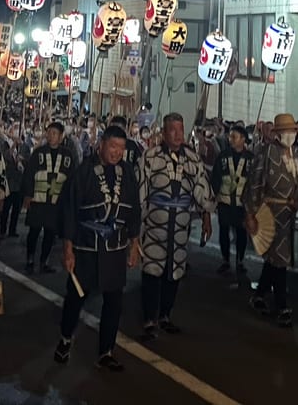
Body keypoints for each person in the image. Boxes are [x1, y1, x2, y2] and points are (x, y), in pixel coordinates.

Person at [54, 126, 141, 371]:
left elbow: (134, 209)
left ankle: (106, 351)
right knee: (76, 297)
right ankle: (65, 338)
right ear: (101, 144)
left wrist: (135, 244)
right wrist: (68, 249)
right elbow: (69, 211)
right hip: (86, 247)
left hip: (114, 249)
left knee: (114, 302)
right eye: (113, 146)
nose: (117, 153)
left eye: (121, 148)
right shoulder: (83, 172)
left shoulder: (128, 173)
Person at [137, 112, 215, 341]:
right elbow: (141, 193)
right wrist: (135, 230)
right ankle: (149, 317)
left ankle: (165, 315)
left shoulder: (192, 159)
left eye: (181, 130)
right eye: (173, 130)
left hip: (181, 225)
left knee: (174, 272)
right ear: (163, 132)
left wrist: (207, 216)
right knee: (152, 271)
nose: (178, 134)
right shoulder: (149, 157)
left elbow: (201, 189)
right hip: (155, 225)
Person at [244, 113, 298, 327]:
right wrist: (251, 212)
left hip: (289, 212)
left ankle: (260, 294)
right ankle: (281, 304)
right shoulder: (267, 152)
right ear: (277, 134)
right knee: (279, 258)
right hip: (269, 211)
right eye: (285, 132)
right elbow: (255, 183)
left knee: (276, 258)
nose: (289, 135)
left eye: (292, 131)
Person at [22, 121, 77, 274]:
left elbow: (72, 179)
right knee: (33, 232)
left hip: (56, 202)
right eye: (50, 132)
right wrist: (28, 194)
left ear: (61, 137)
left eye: (55, 133)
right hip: (38, 200)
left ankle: (44, 261)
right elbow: (28, 175)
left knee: (50, 233)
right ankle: (30, 259)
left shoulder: (68, 155)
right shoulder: (38, 153)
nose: (51, 136)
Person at [210, 124, 252, 275]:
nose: (231, 139)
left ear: (243, 139)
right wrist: (213, 197)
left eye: (234, 137)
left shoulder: (250, 159)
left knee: (241, 233)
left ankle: (240, 260)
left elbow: (254, 182)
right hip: (225, 202)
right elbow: (215, 177)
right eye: (230, 137)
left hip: (242, 204)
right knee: (224, 232)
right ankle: (225, 259)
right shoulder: (223, 156)